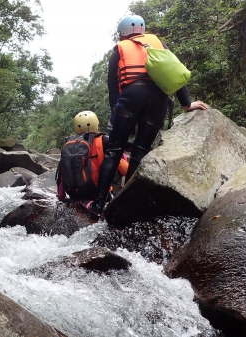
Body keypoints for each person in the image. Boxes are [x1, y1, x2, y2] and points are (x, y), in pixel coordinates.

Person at [81, 14, 208, 219]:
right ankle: (126, 206)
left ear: (122, 33)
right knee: (139, 153)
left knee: (114, 151)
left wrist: (117, 115)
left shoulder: (120, 49)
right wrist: (187, 104)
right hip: (158, 101)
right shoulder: (158, 44)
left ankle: (98, 205)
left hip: (131, 98)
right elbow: (176, 74)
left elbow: (113, 90)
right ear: (142, 29)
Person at [56, 110, 129, 203]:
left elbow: (61, 171)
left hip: (74, 195)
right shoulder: (103, 140)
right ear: (95, 124)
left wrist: (61, 196)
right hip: (97, 194)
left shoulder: (68, 143)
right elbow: (125, 170)